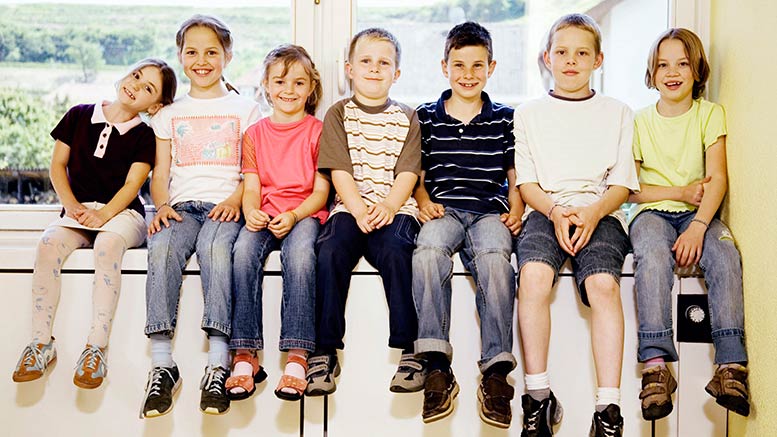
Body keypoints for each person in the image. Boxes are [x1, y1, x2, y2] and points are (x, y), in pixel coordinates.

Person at [11, 59, 176, 390]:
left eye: (148, 88)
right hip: (78, 211)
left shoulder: (145, 135)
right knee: (47, 245)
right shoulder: (78, 114)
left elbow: (133, 186)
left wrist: (103, 216)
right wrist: (71, 206)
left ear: (155, 105)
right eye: (136, 75)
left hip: (123, 214)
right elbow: (57, 166)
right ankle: (41, 344)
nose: (135, 85)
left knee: (107, 245)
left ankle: (95, 349)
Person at [513, 13, 639, 437]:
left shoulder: (618, 112)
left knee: (604, 286)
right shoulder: (528, 113)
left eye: (582, 53)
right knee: (532, 278)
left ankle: (608, 410)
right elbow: (526, 183)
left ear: (598, 60)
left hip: (600, 212)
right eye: (562, 52)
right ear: (547, 57)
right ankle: (538, 398)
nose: (571, 61)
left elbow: (622, 184)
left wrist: (591, 213)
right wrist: (555, 212)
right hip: (544, 212)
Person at [140, 15, 261, 418]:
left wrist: (235, 199)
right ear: (180, 56)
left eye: (211, 51)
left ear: (227, 55)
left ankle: (217, 364)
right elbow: (160, 174)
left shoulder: (247, 109)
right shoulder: (169, 114)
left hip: (226, 206)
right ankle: (163, 365)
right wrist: (162, 206)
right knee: (160, 250)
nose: (201, 60)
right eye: (191, 52)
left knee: (214, 250)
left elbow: (253, 172)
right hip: (181, 208)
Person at [629, 28, 750, 420]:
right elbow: (631, 190)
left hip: (699, 215)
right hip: (652, 214)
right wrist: (680, 191)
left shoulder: (709, 114)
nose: (672, 72)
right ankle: (655, 366)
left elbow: (718, 178)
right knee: (650, 254)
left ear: (697, 70)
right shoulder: (638, 121)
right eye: (663, 64)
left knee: (725, 253)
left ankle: (730, 365)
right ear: (652, 72)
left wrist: (698, 225)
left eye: (682, 63)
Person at [412, 21, 523, 428]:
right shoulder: (426, 116)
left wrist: (517, 207)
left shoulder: (505, 118)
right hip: (443, 209)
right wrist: (422, 202)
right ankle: (436, 365)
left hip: (489, 211)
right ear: (445, 67)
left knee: (496, 261)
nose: (468, 74)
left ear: (491, 67)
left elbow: (514, 173)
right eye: (459, 65)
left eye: (478, 65)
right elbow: (417, 175)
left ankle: (495, 372)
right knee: (426, 254)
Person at [305, 28, 425, 397]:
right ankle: (325, 350)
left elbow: (408, 171)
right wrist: (358, 209)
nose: (375, 69)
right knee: (329, 252)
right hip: (350, 206)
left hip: (396, 207)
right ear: (349, 70)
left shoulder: (408, 116)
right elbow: (339, 169)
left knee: (397, 252)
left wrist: (388, 206)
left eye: (384, 63)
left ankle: (410, 350)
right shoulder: (339, 114)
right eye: (366, 61)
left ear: (397, 73)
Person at [226, 44, 328, 402]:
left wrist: (295, 215)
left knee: (300, 257)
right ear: (266, 85)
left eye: (299, 83)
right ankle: (244, 353)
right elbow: (251, 187)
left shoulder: (319, 131)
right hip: (266, 212)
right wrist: (253, 210)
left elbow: (321, 191)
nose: (289, 90)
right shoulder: (254, 135)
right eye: (280, 81)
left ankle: (298, 355)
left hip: (304, 214)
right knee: (241, 254)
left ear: (311, 88)